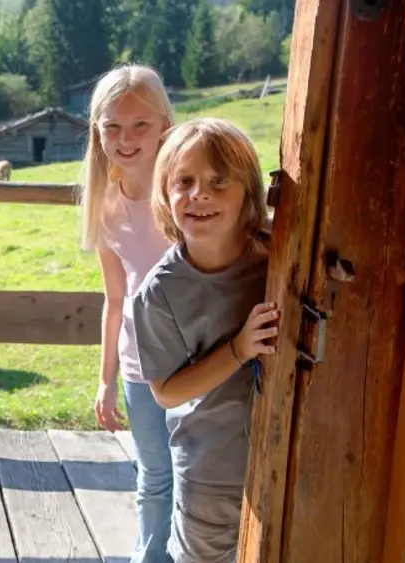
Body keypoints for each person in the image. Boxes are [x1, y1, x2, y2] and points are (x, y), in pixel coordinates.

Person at [133, 118, 278, 563]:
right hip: (210, 470)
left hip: (285, 452)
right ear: (164, 193)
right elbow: (165, 391)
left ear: (248, 195)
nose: (200, 195)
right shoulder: (159, 294)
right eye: (185, 182)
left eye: (219, 182)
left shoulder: (280, 254)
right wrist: (238, 349)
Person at [78, 63, 177, 563]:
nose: (126, 137)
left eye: (140, 124)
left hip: (199, 357)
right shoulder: (105, 203)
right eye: (112, 126)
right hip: (140, 363)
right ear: (97, 132)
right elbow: (115, 298)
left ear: (165, 124)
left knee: (197, 477)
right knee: (153, 476)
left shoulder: (184, 192)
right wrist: (105, 379)